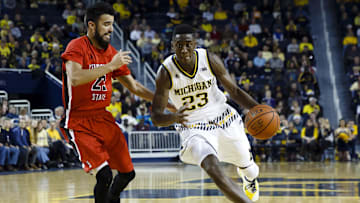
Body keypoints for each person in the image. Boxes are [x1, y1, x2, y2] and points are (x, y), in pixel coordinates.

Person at [60, 3, 174, 203]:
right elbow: (75, 78)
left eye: (112, 24)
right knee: (104, 176)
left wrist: (163, 101)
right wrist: (110, 66)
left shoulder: (111, 51)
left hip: (103, 118)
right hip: (79, 121)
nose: (111, 29)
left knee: (128, 173)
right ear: (92, 26)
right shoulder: (76, 46)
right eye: (106, 24)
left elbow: (135, 87)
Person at [151, 24, 260, 203]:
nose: (184, 49)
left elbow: (234, 91)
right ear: (172, 46)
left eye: (188, 44)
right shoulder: (165, 72)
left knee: (250, 169)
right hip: (193, 126)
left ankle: (248, 178)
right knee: (213, 169)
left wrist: (258, 109)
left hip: (223, 117)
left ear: (195, 43)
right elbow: (155, 117)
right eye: (179, 45)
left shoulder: (209, 59)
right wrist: (173, 118)